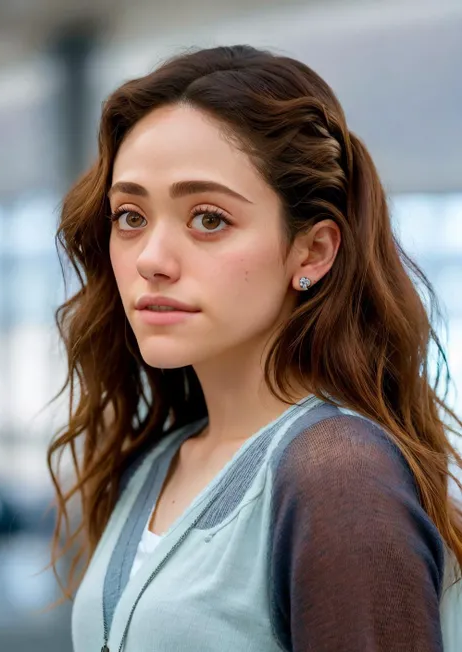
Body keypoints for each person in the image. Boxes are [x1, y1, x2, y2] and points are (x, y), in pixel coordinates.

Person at [48, 44, 462, 651]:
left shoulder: (340, 475)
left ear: (313, 251)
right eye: (131, 216)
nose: (152, 261)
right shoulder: (155, 464)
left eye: (209, 218)